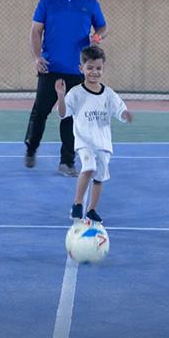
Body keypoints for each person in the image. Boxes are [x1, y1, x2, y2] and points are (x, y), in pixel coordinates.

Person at [25, 0, 107, 176]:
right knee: (40, 112)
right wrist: (37, 58)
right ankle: (31, 148)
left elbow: (102, 28)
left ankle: (67, 162)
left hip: (77, 71)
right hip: (50, 68)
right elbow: (35, 31)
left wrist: (97, 38)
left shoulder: (90, 3)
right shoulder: (47, 1)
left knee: (71, 118)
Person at [55, 45, 132, 223]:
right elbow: (62, 114)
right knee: (88, 168)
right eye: (90, 68)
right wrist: (60, 96)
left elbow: (120, 110)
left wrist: (125, 115)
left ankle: (91, 210)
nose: (94, 72)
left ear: (103, 68)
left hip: (103, 145)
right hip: (85, 142)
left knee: (99, 179)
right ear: (81, 68)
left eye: (98, 68)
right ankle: (78, 203)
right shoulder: (76, 93)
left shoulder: (109, 94)